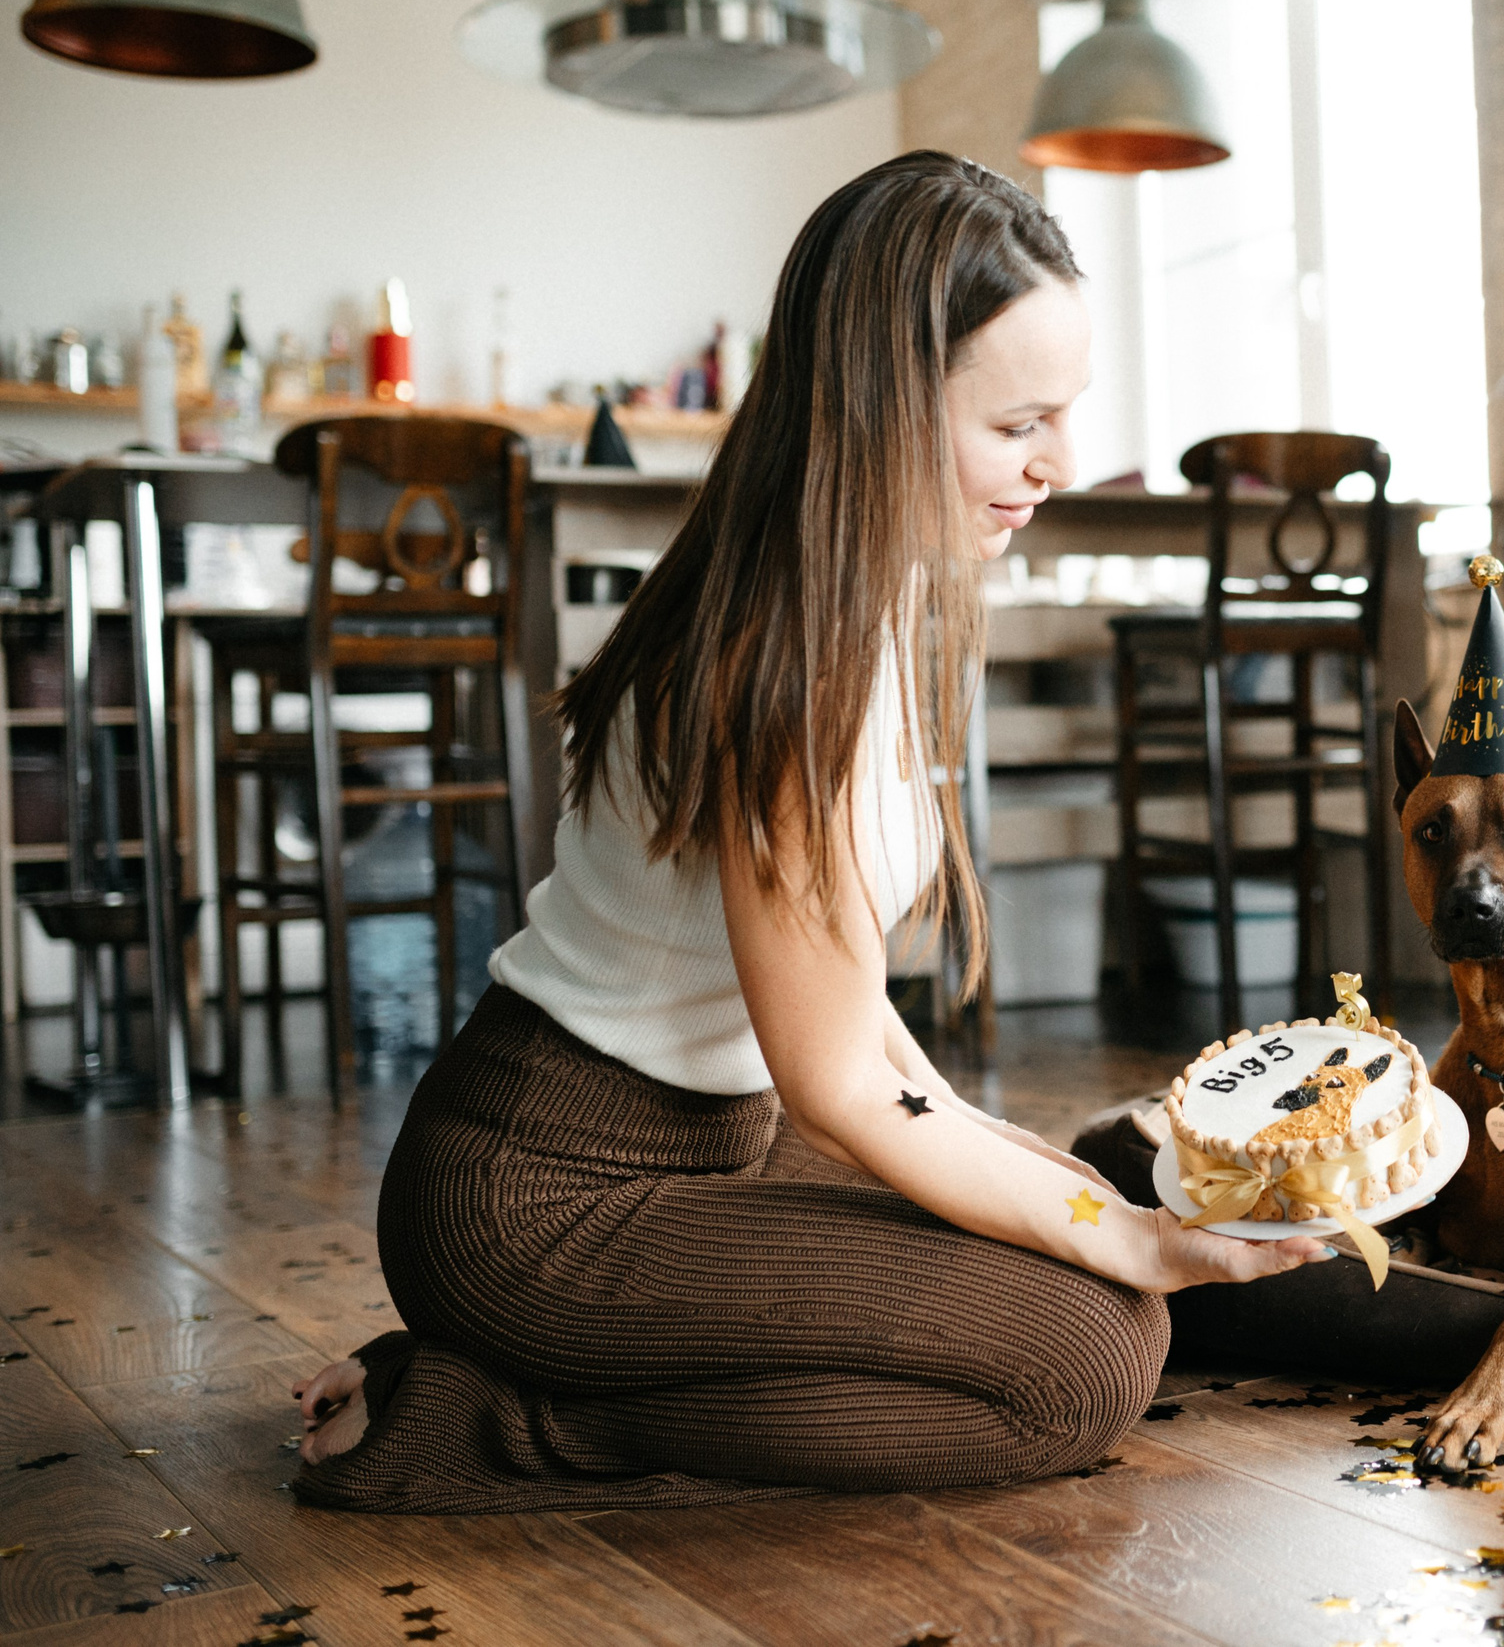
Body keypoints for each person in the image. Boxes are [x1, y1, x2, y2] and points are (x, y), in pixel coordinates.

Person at [289, 152, 1323, 1513]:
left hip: (712, 1137)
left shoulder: (862, 591)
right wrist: (1114, 1236)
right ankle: (497, 1418)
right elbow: (838, 1085)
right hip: (541, 1197)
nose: (1059, 465)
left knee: (1096, 1258)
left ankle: (534, 1378)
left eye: (1064, 418)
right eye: (1020, 423)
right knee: (1085, 1359)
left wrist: (1066, 1192)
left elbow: (849, 1016)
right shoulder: (793, 659)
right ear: (887, 407)